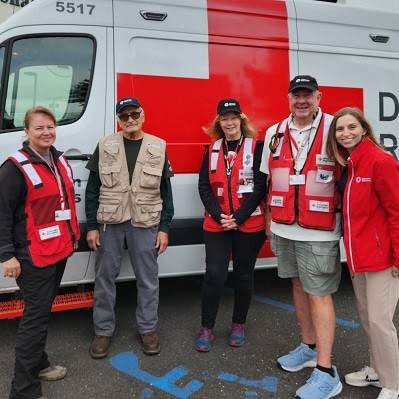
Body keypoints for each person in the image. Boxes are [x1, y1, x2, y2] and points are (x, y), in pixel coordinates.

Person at [260, 76, 342, 399]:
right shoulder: (274, 132)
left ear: (319, 97)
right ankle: (308, 347)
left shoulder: (336, 128)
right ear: (288, 98)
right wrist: (269, 221)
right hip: (283, 227)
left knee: (319, 293)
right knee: (297, 285)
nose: (302, 101)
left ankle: (326, 372)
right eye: (297, 95)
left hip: (319, 231)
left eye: (308, 95)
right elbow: (268, 181)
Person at [0, 106, 80, 399]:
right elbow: (2, 213)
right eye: (39, 128)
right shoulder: (14, 167)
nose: (46, 132)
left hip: (56, 249)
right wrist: (6, 254)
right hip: (32, 254)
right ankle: (23, 390)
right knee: (35, 318)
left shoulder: (58, 160)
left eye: (50, 126)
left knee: (42, 313)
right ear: (26, 132)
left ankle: (40, 363)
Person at [85, 97, 174, 358]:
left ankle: (147, 329)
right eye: (124, 116)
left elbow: (166, 193)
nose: (130, 119)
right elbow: (92, 190)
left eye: (134, 114)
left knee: (148, 280)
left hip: (146, 223)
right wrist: (92, 226)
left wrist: (164, 228)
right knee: (104, 279)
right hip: (110, 224)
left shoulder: (158, 146)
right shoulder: (105, 145)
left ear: (143, 115)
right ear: (119, 119)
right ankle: (103, 332)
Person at [326, 107, 399, 399]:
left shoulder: (380, 161)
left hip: (383, 259)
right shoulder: (350, 164)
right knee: (368, 317)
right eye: (340, 129)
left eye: (351, 127)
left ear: (364, 129)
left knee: (381, 322)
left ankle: (392, 383)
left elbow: (397, 212)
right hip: (358, 257)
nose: (346, 133)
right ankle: (376, 370)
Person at [195, 98, 267, 352]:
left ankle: (238, 323)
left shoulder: (255, 147)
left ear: (241, 119)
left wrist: (239, 216)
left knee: (243, 275)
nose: (229, 122)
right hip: (217, 224)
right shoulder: (212, 149)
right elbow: (204, 187)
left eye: (233, 117)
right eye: (224, 118)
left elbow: (261, 187)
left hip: (248, 223)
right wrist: (220, 216)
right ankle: (207, 327)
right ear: (219, 122)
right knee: (214, 275)